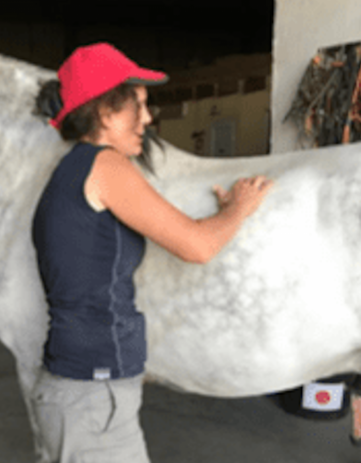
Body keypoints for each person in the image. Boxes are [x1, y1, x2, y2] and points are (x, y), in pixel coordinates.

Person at [30, 42, 273, 463]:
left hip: (83, 390)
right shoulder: (105, 167)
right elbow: (198, 246)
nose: (148, 118)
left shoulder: (73, 169)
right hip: (93, 397)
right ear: (105, 111)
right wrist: (238, 209)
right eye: (137, 106)